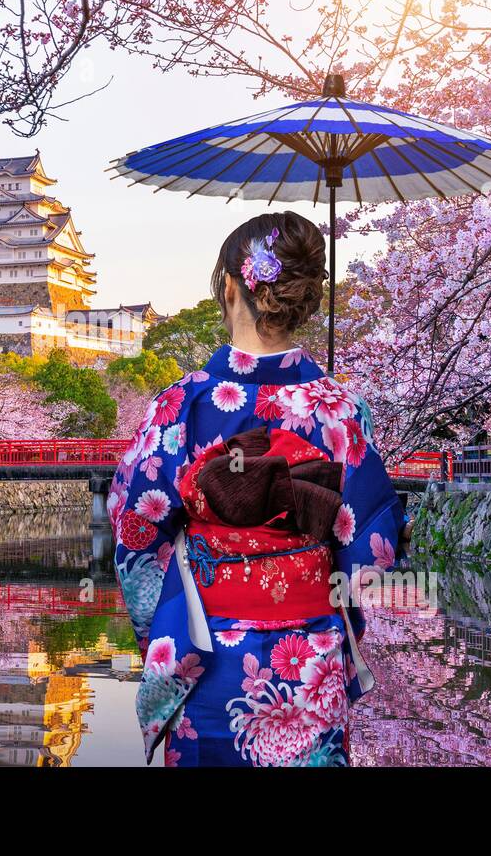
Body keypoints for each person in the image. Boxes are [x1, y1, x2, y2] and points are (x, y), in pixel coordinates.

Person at [110, 210, 405, 767]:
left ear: (227, 286)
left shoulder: (183, 405)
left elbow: (135, 529)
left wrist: (166, 622)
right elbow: (373, 551)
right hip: (311, 659)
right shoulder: (341, 408)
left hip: (209, 654)